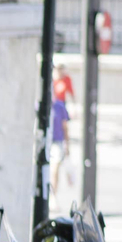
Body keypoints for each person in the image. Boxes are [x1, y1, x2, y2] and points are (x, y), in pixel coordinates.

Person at [50, 64, 76, 194]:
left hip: (60, 112)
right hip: (53, 126)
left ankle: (53, 194)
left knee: (55, 167)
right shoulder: (53, 81)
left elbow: (71, 94)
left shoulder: (66, 80)